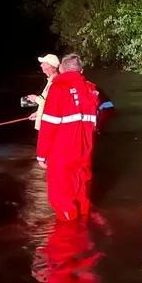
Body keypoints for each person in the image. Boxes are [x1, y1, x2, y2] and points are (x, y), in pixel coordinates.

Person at [36, 53, 99, 220]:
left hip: (62, 153)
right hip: (84, 151)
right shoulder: (91, 89)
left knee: (61, 198)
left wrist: (42, 155)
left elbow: (49, 125)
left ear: (62, 69)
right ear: (81, 70)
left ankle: (68, 234)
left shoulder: (58, 88)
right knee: (81, 193)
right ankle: (84, 229)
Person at [27, 53, 60, 130]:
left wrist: (35, 99)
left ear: (50, 66)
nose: (41, 65)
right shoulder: (50, 81)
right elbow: (45, 102)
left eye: (43, 64)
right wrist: (38, 114)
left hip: (48, 126)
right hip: (45, 124)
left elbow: (52, 104)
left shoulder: (55, 82)